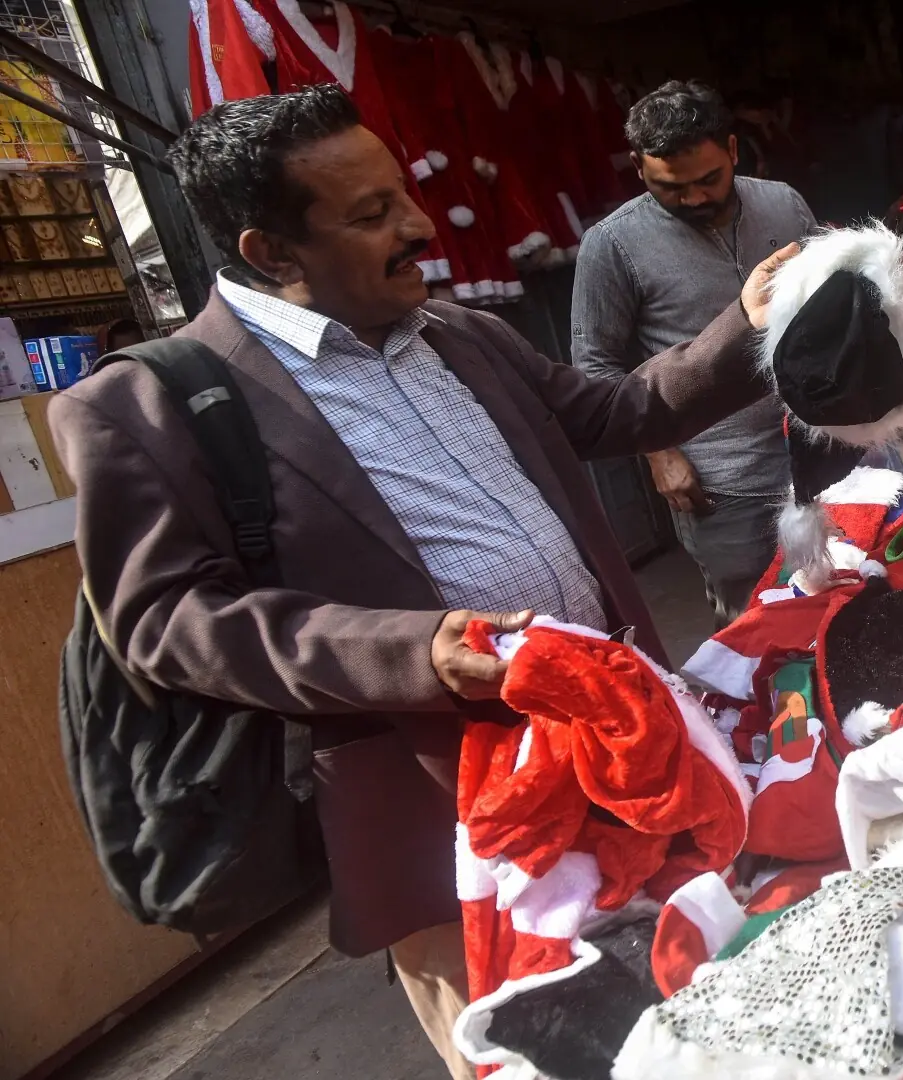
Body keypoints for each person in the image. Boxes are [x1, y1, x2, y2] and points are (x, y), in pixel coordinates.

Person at [48, 85, 795, 1080]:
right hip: (437, 806)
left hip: (614, 738)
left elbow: (614, 412)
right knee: (525, 1041)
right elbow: (164, 618)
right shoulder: (150, 403)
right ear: (269, 252)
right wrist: (409, 653)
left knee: (688, 1003)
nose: (416, 224)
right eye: (368, 216)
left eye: (399, 192)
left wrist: (744, 327)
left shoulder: (458, 334)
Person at [573, 79, 818, 627]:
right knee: (755, 632)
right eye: (671, 188)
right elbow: (594, 373)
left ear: (733, 149)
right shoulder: (610, 246)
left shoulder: (783, 202)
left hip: (822, 451)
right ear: (638, 166)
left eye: (709, 179)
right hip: (722, 483)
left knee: (846, 603)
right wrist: (661, 453)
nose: (695, 198)